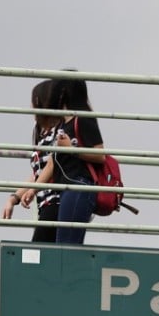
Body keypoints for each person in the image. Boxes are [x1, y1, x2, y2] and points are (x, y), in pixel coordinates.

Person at [33, 77, 105, 244]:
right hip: (68, 188)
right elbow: (53, 162)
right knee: (63, 245)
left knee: (66, 247)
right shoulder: (65, 124)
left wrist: (71, 149)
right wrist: (33, 190)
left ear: (63, 92)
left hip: (78, 186)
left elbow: (100, 155)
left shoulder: (83, 118)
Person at [3, 80, 63, 242]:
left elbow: (52, 164)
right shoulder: (43, 133)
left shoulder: (60, 132)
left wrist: (33, 190)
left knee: (37, 255)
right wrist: (14, 198)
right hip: (46, 204)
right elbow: (38, 173)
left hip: (56, 202)